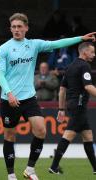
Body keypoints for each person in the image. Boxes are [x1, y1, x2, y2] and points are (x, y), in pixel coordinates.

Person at [0, 12, 96, 180]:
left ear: (26, 28)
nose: (16, 30)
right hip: (9, 100)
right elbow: (0, 75)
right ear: (10, 29)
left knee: (41, 130)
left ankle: (30, 170)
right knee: (10, 135)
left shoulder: (34, 45)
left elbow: (57, 44)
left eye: (20, 26)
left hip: (28, 98)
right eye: (14, 27)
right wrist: (9, 93)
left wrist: (80, 38)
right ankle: (11, 175)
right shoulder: (3, 48)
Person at [49, 42, 96, 175]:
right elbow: (88, 87)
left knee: (87, 135)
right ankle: (54, 166)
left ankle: (95, 168)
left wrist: (61, 109)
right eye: (92, 52)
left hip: (72, 104)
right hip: (79, 105)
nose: (94, 55)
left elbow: (62, 90)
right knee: (69, 134)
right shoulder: (84, 66)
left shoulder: (69, 67)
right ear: (84, 52)